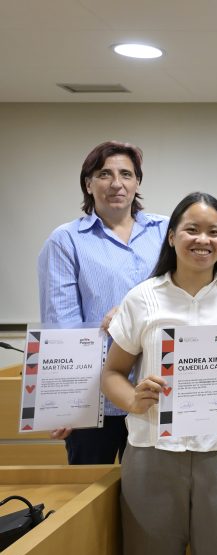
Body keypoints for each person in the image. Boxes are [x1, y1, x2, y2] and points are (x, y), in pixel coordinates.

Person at [101, 192, 217, 555]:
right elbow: (112, 372)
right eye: (192, 229)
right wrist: (131, 399)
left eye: (214, 232)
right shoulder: (143, 297)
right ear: (172, 236)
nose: (203, 240)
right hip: (152, 450)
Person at [37, 140, 168, 464]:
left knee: (149, 504)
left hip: (159, 391)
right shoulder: (66, 240)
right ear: (88, 183)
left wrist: (131, 314)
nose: (116, 183)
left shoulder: (167, 231)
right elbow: (63, 325)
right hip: (93, 400)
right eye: (104, 174)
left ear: (137, 182)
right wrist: (65, 403)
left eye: (126, 174)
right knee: (90, 501)